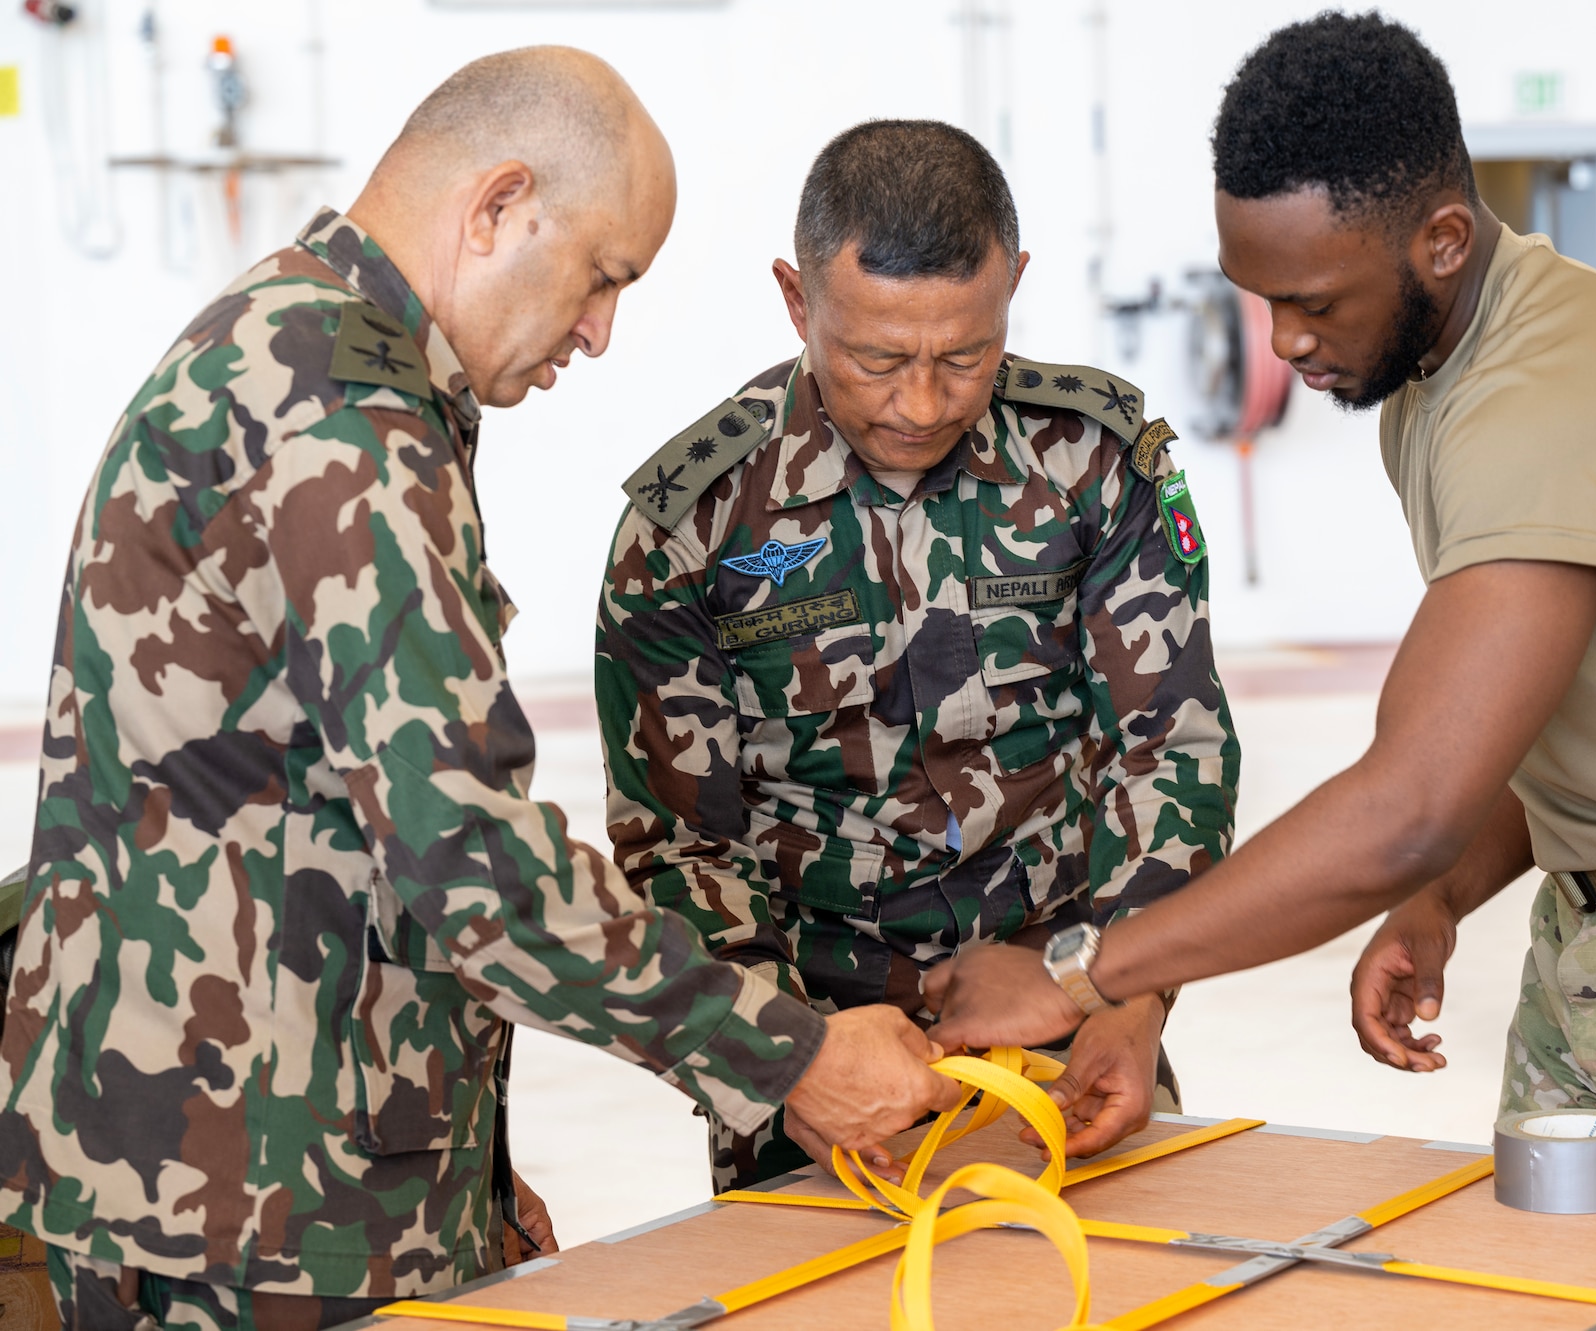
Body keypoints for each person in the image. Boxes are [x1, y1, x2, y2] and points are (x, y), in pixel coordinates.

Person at [927, 14, 1596, 1330]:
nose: (1286, 344)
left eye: (1315, 301)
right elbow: (1525, 717)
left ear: (1440, 239)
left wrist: (1079, 968)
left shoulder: (1555, 381)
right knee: (1563, 1299)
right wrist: (1445, 894)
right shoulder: (1432, 375)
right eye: (1259, 298)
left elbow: (1410, 795)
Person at [0, 48, 955, 1331]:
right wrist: (788, 1055)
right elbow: (469, 859)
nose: (600, 331)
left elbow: (332, 831)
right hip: (248, 1202)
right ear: (498, 205)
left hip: (235, 1157)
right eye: (602, 276)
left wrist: (464, 1167)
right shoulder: (343, 416)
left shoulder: (294, 346)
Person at [594, 119, 1237, 1191]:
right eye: (876, 357)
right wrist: (786, 1064)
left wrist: (1129, 995)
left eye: (964, 355)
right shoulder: (692, 523)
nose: (921, 403)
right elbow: (677, 844)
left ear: (1012, 288)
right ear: (798, 303)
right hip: (819, 1056)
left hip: (1074, 1015)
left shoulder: (1093, 464)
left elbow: (1171, 746)